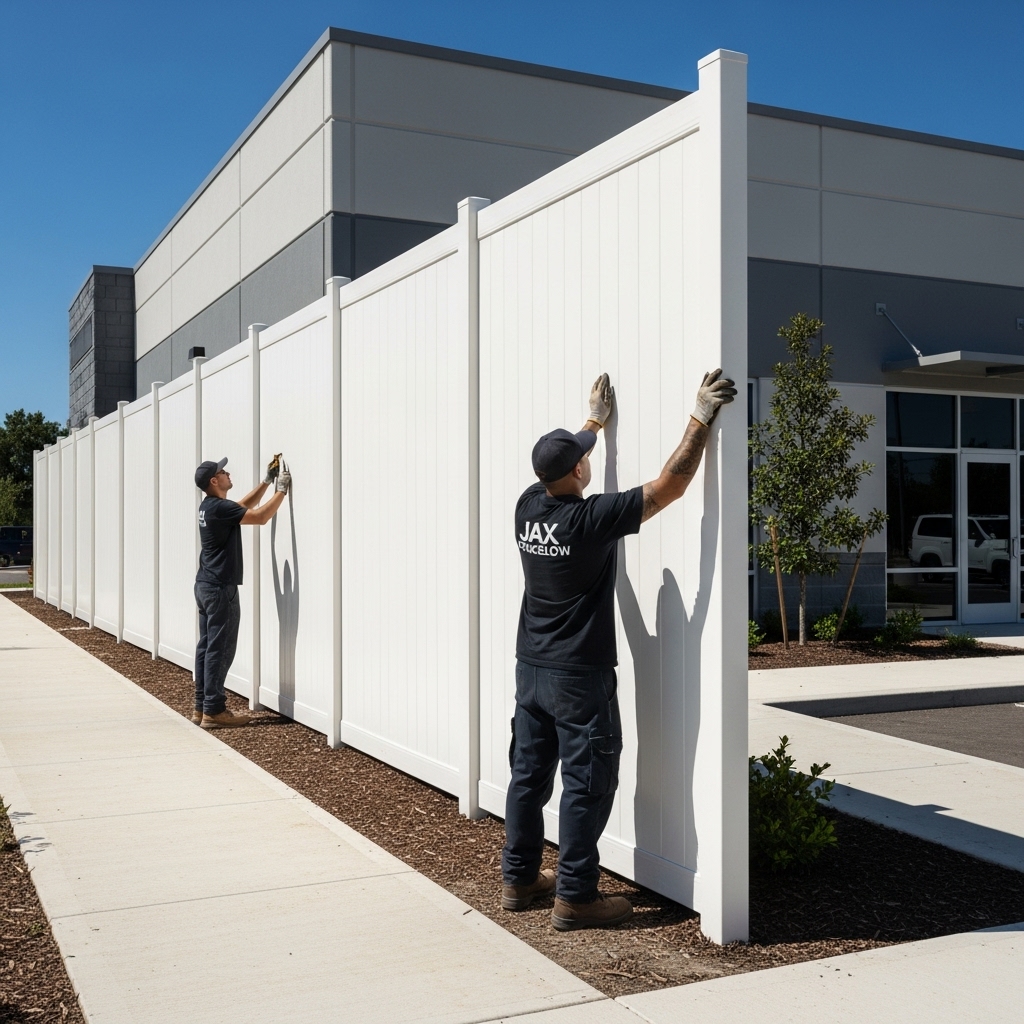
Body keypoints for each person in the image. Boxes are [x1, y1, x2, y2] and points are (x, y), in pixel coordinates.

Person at [501, 369, 736, 930]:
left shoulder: (528, 504)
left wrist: (593, 424)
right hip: (579, 677)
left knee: (528, 776)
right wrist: (700, 416)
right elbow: (671, 486)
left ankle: (519, 878)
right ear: (579, 471)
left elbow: (563, 461)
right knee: (587, 781)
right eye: (583, 457)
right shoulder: (589, 520)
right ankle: (576, 895)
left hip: (531, 669)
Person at [192, 455, 292, 729]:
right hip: (220, 587)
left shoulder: (210, 506)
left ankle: (202, 706)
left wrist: (265, 483)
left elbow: (240, 508)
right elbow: (259, 518)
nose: (227, 474)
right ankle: (214, 710)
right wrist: (281, 490)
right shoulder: (217, 508)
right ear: (215, 481)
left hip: (205, 585)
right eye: (223, 472)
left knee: (206, 647)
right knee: (220, 649)